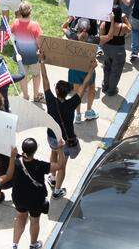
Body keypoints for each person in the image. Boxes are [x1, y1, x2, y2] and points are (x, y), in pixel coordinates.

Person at [38, 55, 94, 198]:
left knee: (53, 152)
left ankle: (52, 177)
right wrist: (91, 69)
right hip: (65, 141)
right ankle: (57, 191)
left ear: (56, 91)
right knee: (62, 165)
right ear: (68, 92)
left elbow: (45, 79)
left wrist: (42, 61)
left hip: (52, 137)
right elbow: (84, 85)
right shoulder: (72, 103)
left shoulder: (50, 100)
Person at [10, 137, 57, 249]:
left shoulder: (15, 161)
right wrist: (59, 149)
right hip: (35, 200)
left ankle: (14, 245)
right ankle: (33, 244)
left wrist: (12, 155)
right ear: (35, 151)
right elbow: (60, 165)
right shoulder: (40, 165)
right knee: (34, 221)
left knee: (20, 217)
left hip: (18, 197)